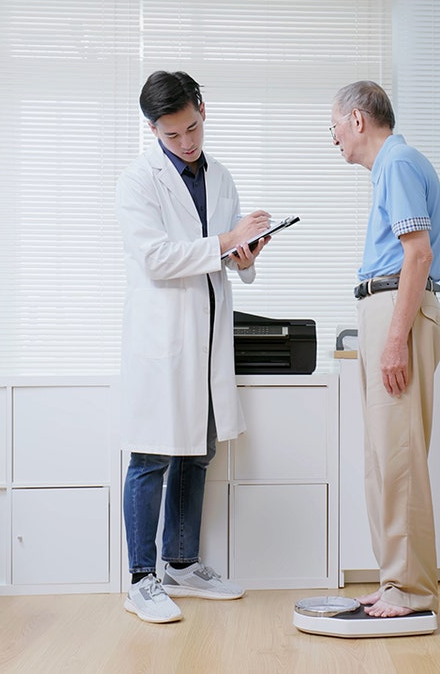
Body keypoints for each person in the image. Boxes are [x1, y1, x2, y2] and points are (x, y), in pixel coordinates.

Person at [115, 70, 271, 624]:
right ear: (153, 130)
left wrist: (243, 256)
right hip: (164, 338)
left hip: (208, 337)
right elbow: (157, 258)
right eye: (173, 135)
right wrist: (227, 241)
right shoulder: (139, 181)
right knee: (152, 454)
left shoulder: (220, 176)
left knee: (197, 451)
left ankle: (182, 563)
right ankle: (141, 578)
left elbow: (223, 257)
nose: (186, 142)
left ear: (203, 109)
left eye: (192, 128)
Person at [329, 81, 440, 620]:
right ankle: (394, 579)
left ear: (357, 119)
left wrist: (395, 339)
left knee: (397, 457)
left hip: (397, 308)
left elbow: (416, 256)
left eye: (334, 126)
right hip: (383, 308)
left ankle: (412, 589)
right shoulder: (391, 168)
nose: (334, 140)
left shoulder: (397, 163)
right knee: (382, 458)